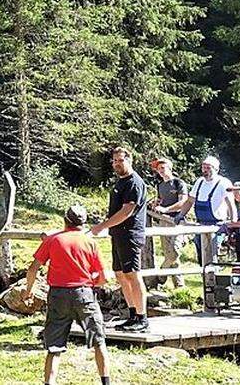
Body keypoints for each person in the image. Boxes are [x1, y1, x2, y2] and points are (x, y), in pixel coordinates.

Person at [23, 205, 111, 385]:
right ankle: (106, 382)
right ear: (84, 222)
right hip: (84, 295)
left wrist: (28, 291)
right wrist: (89, 283)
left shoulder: (53, 240)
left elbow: (33, 269)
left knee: (54, 347)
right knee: (99, 342)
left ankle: (50, 383)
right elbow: (104, 278)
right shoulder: (90, 242)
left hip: (58, 295)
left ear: (65, 220)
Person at [90, 147, 148, 331]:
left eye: (120, 160)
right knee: (120, 274)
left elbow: (126, 211)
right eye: (114, 160)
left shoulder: (134, 183)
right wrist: (108, 226)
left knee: (132, 274)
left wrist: (102, 226)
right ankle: (132, 314)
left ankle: (142, 318)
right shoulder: (119, 183)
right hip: (117, 234)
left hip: (130, 234)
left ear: (129, 160)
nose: (116, 164)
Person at [178, 155, 235, 265]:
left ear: (216, 169)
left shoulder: (223, 183)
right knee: (201, 254)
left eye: (208, 168)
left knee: (212, 255)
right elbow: (190, 201)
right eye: (203, 167)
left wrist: (233, 224)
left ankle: (213, 279)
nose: (205, 170)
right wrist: (180, 215)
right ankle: (204, 278)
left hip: (216, 226)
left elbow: (231, 205)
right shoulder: (199, 182)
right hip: (200, 225)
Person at [149, 157, 189, 288]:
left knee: (174, 251)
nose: (160, 171)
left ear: (170, 168)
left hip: (177, 221)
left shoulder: (179, 183)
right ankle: (179, 285)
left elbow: (183, 202)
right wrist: (156, 204)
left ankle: (161, 274)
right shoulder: (160, 185)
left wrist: (166, 209)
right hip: (163, 222)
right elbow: (160, 200)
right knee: (169, 254)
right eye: (158, 169)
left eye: (163, 168)